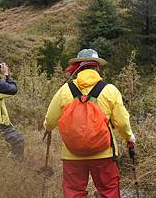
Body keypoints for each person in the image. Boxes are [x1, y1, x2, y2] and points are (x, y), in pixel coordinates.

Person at [44, 48, 136, 198]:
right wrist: (129, 138)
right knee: (109, 191)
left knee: (74, 192)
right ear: (97, 67)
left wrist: (47, 128)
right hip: (104, 153)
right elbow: (122, 123)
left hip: (72, 154)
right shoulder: (109, 90)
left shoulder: (65, 90)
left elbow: (50, 120)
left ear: (78, 67)